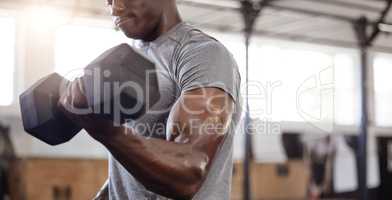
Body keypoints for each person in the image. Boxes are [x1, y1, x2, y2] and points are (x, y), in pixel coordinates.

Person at [59, 0, 241, 199]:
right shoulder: (129, 58)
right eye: (109, 0)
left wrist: (106, 131)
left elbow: (190, 172)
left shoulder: (200, 54)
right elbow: (129, 167)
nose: (115, 9)